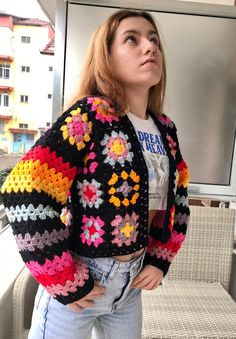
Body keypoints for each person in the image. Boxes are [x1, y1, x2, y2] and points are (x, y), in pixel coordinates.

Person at [1, 9, 190, 339]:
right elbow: (25, 190)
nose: (150, 47)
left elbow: (178, 201)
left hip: (131, 287)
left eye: (154, 40)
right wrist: (60, 275)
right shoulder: (91, 116)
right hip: (80, 281)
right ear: (107, 55)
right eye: (132, 39)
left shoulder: (165, 129)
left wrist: (160, 259)